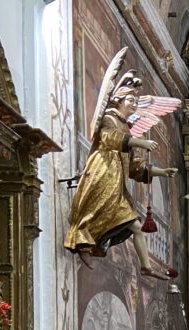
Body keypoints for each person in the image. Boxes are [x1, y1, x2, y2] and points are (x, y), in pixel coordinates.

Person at [64, 52, 178, 280]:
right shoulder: (109, 118)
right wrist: (139, 141)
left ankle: (144, 265)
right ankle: (84, 245)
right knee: (96, 214)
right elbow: (109, 139)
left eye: (136, 101)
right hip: (101, 175)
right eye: (131, 100)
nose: (134, 104)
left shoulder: (126, 128)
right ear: (118, 100)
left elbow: (136, 169)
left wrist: (163, 172)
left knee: (134, 225)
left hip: (117, 186)